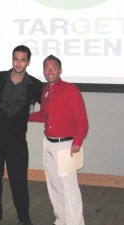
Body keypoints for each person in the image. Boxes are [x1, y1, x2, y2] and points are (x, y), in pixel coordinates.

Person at [0, 45, 42, 225]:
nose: (18, 63)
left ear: (28, 62)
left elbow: (50, 106)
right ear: (12, 59)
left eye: (22, 59)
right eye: (16, 59)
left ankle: (24, 218)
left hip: (16, 141)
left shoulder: (35, 85)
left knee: (19, 182)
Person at [29, 54, 89, 225]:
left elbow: (82, 120)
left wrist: (77, 142)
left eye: (53, 67)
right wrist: (27, 116)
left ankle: (75, 223)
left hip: (66, 146)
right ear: (43, 71)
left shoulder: (71, 90)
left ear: (60, 70)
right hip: (48, 144)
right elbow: (45, 116)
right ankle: (62, 220)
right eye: (46, 68)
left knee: (70, 189)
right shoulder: (46, 91)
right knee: (54, 187)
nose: (49, 71)